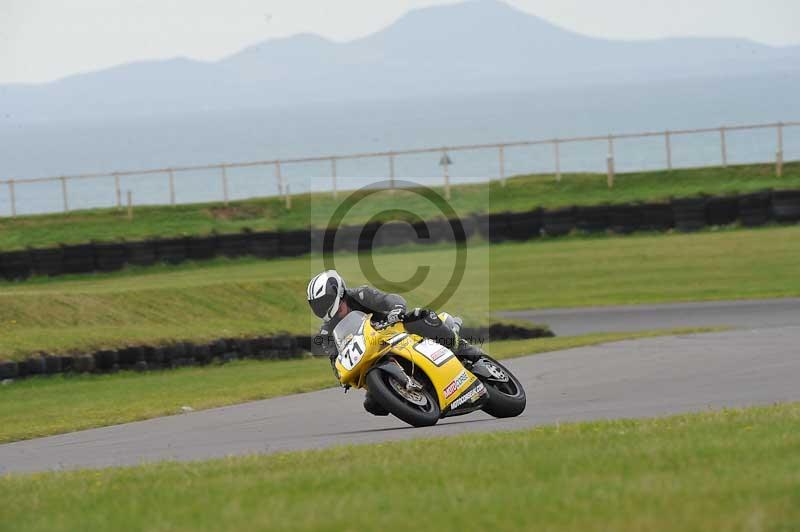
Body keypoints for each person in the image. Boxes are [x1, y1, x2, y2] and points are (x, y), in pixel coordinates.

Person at [307, 269, 485, 416]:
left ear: (337, 292)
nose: (322, 308)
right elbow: (334, 358)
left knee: (420, 316)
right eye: (317, 305)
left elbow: (390, 299)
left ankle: (464, 349)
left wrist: (396, 311)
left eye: (324, 302)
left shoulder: (360, 295)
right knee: (372, 405)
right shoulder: (326, 332)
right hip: (370, 355)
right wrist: (341, 375)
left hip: (397, 330)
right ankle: (416, 396)